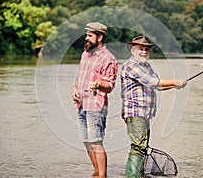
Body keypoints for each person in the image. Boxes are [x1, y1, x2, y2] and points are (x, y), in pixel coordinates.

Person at [120, 35, 187, 178]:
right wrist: (175, 82)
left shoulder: (146, 66)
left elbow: (157, 86)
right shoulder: (131, 66)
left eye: (146, 49)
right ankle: (132, 176)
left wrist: (174, 86)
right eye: (140, 49)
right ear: (132, 50)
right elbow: (152, 82)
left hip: (145, 113)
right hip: (135, 112)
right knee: (139, 146)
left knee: (142, 146)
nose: (144, 51)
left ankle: (137, 174)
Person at [72, 22, 118, 178]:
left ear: (100, 37)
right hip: (81, 104)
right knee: (86, 141)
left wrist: (99, 84)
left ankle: (102, 175)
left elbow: (110, 86)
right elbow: (79, 76)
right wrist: (74, 89)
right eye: (87, 35)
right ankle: (97, 172)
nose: (86, 38)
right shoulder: (85, 54)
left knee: (96, 142)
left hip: (96, 106)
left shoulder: (109, 59)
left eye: (90, 35)